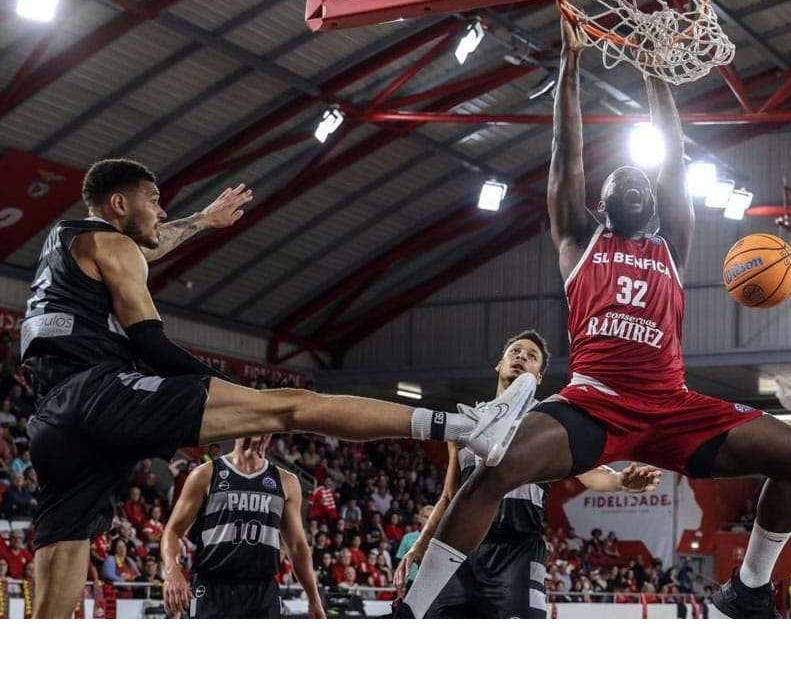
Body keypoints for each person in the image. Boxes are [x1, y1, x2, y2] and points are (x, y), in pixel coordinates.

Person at [398, 16, 791, 620]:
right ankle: (408, 612)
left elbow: (672, 159)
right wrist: (569, 69)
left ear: (653, 204)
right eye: (621, 181)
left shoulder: (671, 244)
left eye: (642, 184)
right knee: (495, 468)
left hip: (672, 409)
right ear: (599, 205)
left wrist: (655, 73)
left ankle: (748, 587)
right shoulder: (579, 241)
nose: (635, 184)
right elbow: (564, 155)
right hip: (594, 406)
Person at [19, 159, 536, 616]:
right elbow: (152, 345)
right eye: (153, 201)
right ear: (118, 203)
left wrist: (202, 221)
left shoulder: (66, 242)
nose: (160, 210)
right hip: (100, 393)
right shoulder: (114, 244)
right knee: (292, 407)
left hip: (52, 420)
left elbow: (149, 246)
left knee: (62, 564)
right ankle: (464, 424)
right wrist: (238, 392)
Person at [397, 330, 661, 618]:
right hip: (461, 552)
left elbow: (590, 474)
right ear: (499, 364)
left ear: (538, 378)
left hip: (518, 552)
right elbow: (449, 497)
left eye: (532, 357)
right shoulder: (465, 424)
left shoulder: (550, 425)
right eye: (515, 352)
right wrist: (419, 548)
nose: (521, 357)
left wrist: (621, 481)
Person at [161, 433, 324, 619]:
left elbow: (297, 547)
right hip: (213, 588)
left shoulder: (286, 481)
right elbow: (173, 531)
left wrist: (314, 597)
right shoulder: (206, 473)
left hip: (262, 591)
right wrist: (171, 570)